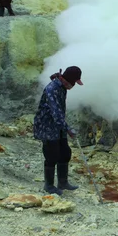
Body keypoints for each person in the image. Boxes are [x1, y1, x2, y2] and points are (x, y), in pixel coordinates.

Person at [33, 66, 83, 195]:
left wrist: (65, 128)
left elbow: (60, 113)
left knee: (65, 153)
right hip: (47, 125)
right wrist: (68, 129)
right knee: (51, 155)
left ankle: (63, 182)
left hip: (58, 126)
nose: (74, 85)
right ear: (69, 80)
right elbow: (56, 113)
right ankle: (49, 185)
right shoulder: (52, 89)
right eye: (74, 82)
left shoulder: (62, 87)